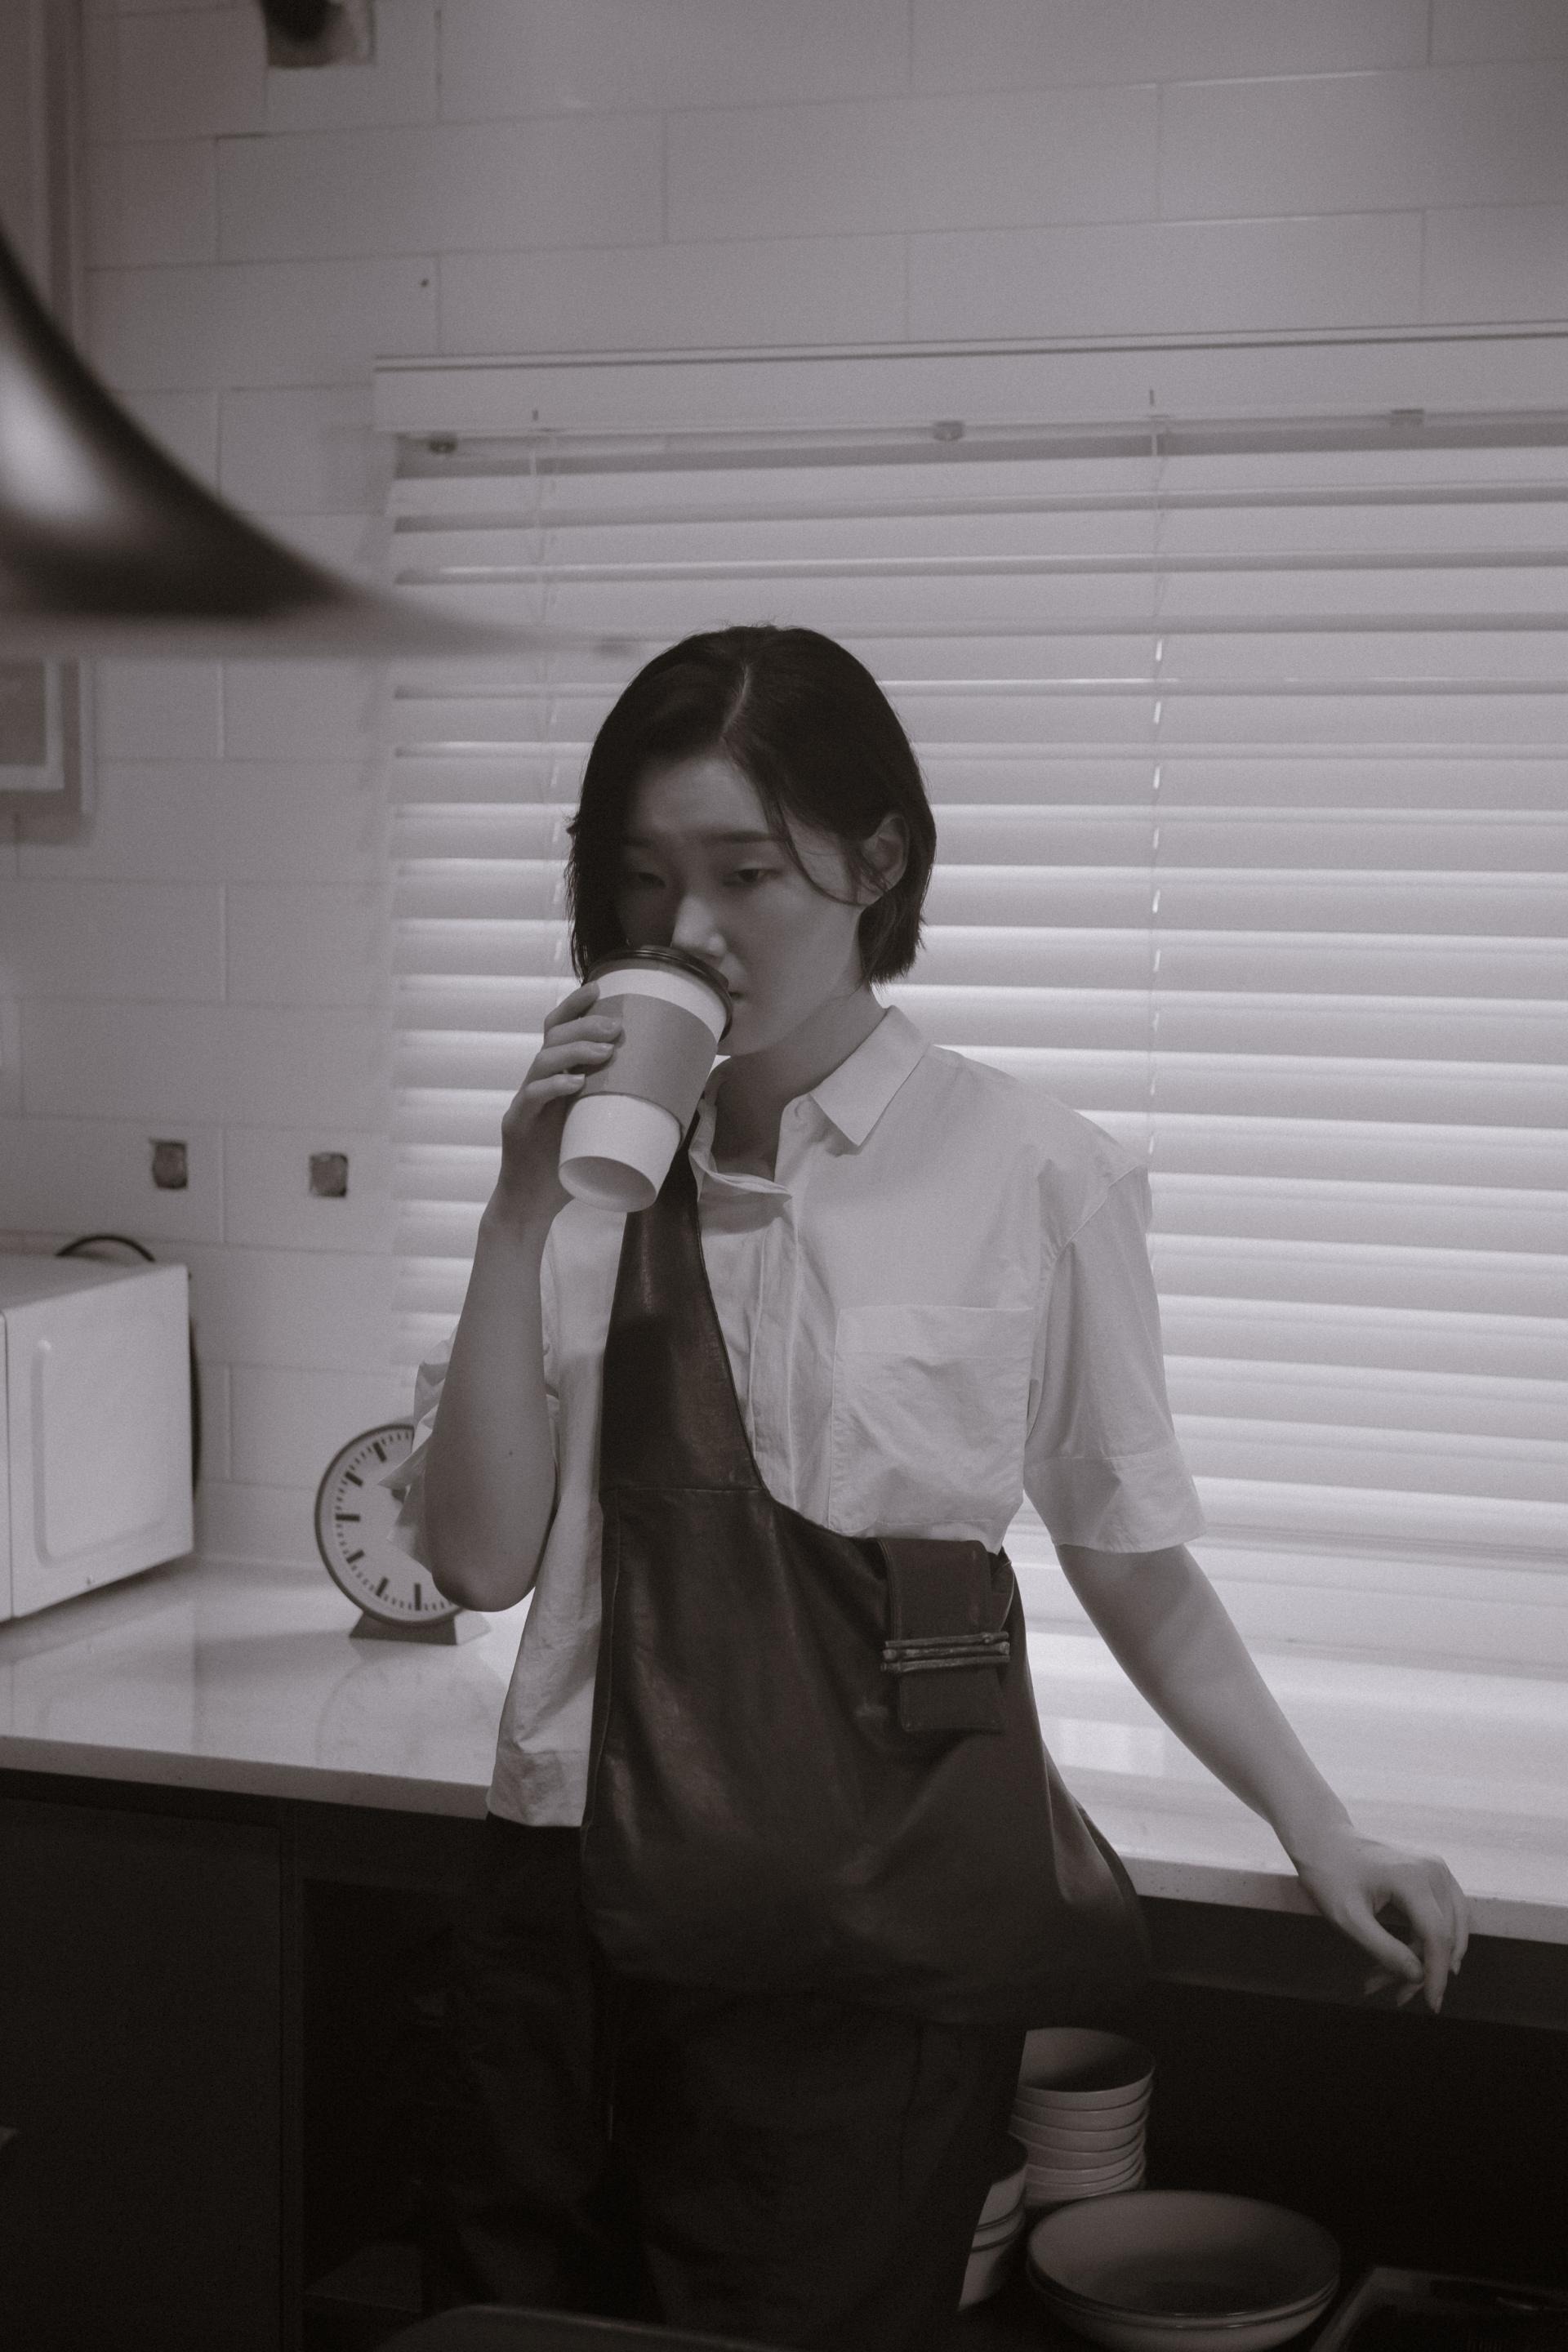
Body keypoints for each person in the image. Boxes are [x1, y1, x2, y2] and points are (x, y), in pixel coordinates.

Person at [386, 625, 1470, 2352]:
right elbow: (475, 1561)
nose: (690, 929)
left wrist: (1320, 1826)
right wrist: (519, 1209)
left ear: (878, 861)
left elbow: (1133, 1560)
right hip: (558, 1903)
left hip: (849, 1934)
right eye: (646, 878)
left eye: (746, 873)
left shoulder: (1031, 1175)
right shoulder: (589, 1176)